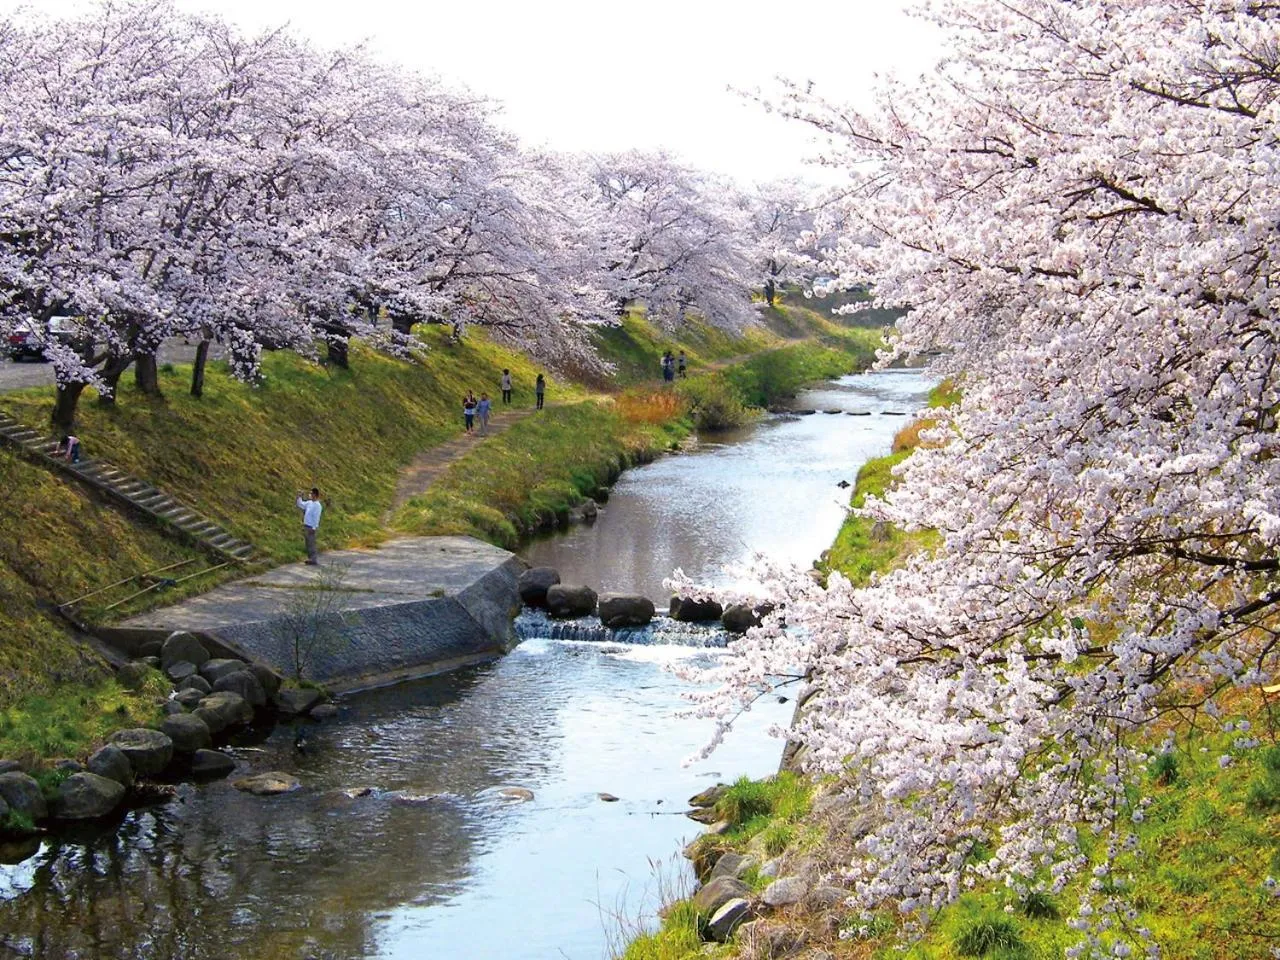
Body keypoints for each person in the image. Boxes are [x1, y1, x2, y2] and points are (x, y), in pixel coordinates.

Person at [296, 487, 323, 565]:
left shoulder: (318, 505)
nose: (309, 495)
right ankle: (310, 558)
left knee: (311, 543)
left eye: (311, 493)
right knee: (308, 543)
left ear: (315, 495)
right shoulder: (309, 503)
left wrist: (314, 527)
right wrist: (299, 497)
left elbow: (316, 517)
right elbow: (301, 504)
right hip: (306, 525)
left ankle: (313, 558)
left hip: (311, 527)